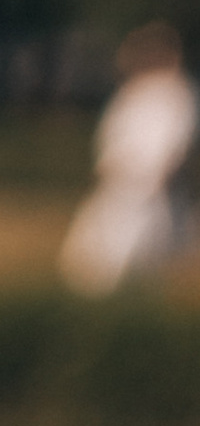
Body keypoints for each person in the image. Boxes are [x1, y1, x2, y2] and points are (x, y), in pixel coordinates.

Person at [62, 24, 199, 295]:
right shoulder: (135, 92)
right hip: (118, 188)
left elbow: (172, 148)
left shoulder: (178, 95)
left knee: (135, 265)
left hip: (148, 193)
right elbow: (113, 141)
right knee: (88, 266)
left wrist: (155, 179)